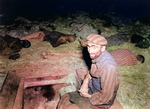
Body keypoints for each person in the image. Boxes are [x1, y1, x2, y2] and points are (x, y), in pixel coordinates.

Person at [57, 34, 123, 109]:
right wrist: (85, 82)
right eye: (89, 46)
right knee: (65, 97)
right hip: (92, 89)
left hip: (100, 100)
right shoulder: (97, 56)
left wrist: (88, 95)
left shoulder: (108, 67)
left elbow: (105, 98)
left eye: (94, 47)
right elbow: (91, 72)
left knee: (67, 107)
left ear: (103, 48)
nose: (90, 51)